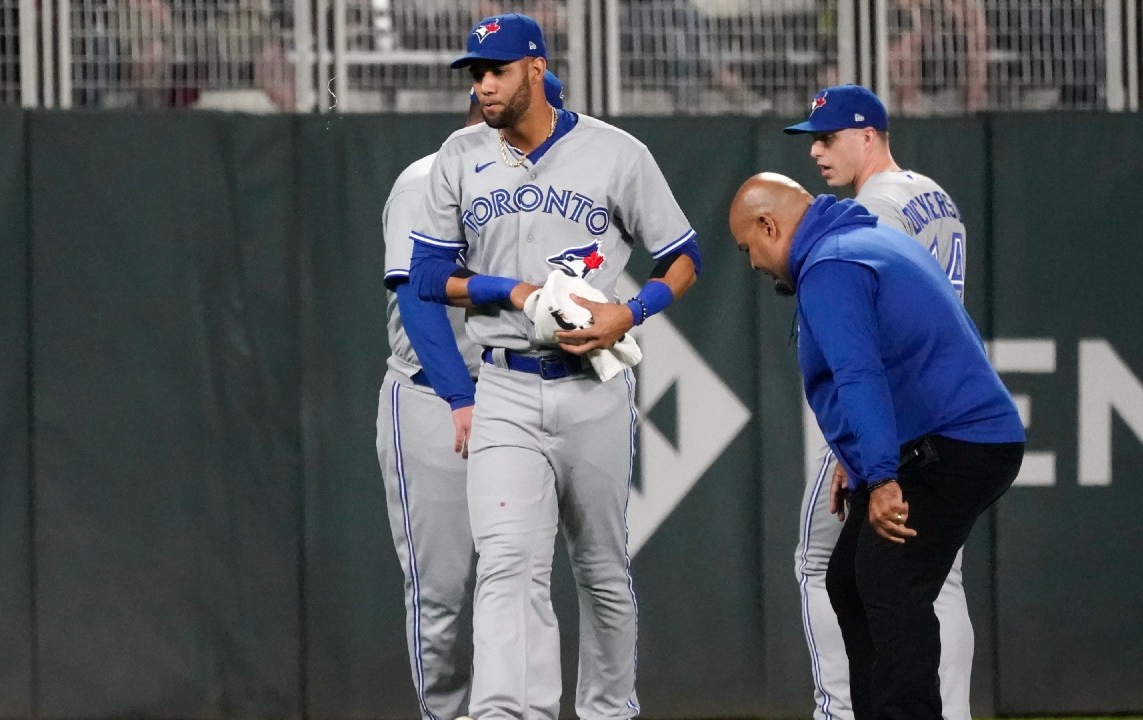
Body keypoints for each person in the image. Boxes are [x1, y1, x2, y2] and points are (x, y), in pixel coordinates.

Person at [407, 13, 700, 720]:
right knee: (508, 566)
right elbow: (426, 277)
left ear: (536, 69)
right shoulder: (459, 155)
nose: (483, 85)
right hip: (504, 381)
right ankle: (508, 714)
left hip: (594, 388)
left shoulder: (615, 153)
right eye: (475, 72)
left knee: (601, 572)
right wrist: (507, 290)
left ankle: (608, 711)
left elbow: (685, 256)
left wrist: (631, 313)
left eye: (496, 70)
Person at [727, 172, 1024, 720]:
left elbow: (859, 374)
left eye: (749, 248)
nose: (752, 263)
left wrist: (883, 478)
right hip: (956, 439)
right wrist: (859, 458)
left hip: (952, 446)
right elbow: (939, 343)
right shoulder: (869, 241)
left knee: (890, 584)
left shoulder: (829, 267)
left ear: (770, 225)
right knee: (849, 580)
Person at [376, 71, 567, 720]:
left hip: (513, 397)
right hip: (433, 399)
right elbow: (417, 297)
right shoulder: (426, 180)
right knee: (442, 596)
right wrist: (462, 399)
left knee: (516, 582)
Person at [783, 83, 973, 720]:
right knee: (934, 576)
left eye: (828, 137)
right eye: (812, 139)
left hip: (890, 417)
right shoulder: (932, 195)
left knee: (818, 563)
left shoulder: (877, 208)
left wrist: (864, 449)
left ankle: (840, 710)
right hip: (943, 412)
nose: (816, 152)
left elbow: (877, 336)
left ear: (868, 136)